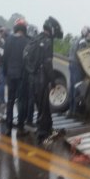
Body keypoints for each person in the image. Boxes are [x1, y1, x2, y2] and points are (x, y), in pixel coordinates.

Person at [24, 16, 63, 144]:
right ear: (51, 29)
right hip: (41, 79)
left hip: (33, 78)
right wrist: (53, 80)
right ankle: (42, 134)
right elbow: (47, 64)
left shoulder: (36, 39)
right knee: (44, 108)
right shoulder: (47, 42)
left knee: (41, 107)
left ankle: (47, 129)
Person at [3, 18, 30, 137]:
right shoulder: (26, 41)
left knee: (10, 101)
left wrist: (5, 72)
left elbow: (5, 58)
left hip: (10, 75)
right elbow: (27, 61)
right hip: (21, 76)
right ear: (24, 28)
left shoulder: (8, 40)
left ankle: (8, 128)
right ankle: (20, 128)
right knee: (21, 101)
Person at [67, 26, 90, 117]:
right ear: (87, 33)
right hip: (77, 65)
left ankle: (71, 110)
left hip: (71, 64)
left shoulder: (75, 40)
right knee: (78, 87)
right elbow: (83, 56)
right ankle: (76, 111)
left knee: (72, 87)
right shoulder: (82, 42)